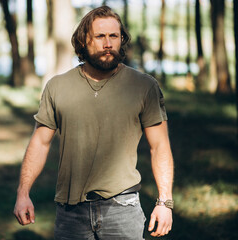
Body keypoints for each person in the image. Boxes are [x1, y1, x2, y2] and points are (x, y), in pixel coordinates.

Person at [13, 6, 174, 240]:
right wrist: (23, 193)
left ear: (121, 39)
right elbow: (40, 143)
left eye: (114, 36)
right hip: (70, 213)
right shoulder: (57, 87)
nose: (108, 43)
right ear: (83, 41)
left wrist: (164, 201)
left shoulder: (144, 86)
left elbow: (159, 146)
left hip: (123, 208)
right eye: (100, 36)